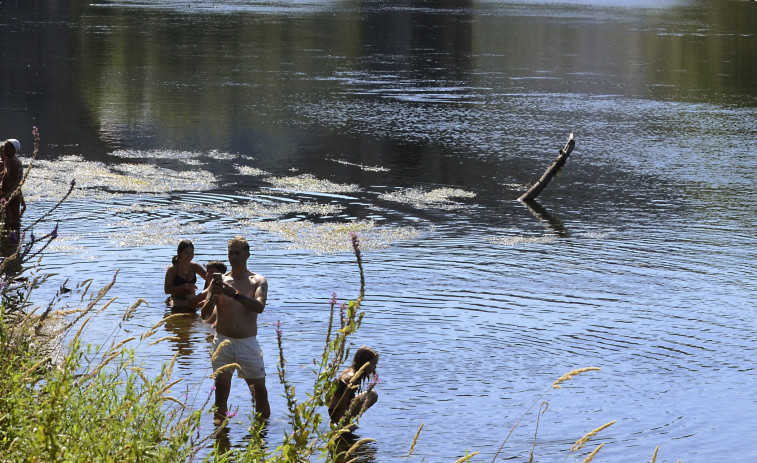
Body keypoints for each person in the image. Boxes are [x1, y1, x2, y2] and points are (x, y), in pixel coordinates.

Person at [202, 236, 270, 421]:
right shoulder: (220, 281)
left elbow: (259, 307)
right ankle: (220, 434)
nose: (233, 257)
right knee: (221, 392)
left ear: (247, 255)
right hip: (223, 341)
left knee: (259, 392)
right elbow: (205, 314)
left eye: (237, 253)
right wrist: (212, 297)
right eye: (230, 253)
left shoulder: (258, 281)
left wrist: (236, 295)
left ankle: (263, 433)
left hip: (248, 343)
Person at [328, 346, 379, 426]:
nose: (375, 367)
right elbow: (342, 401)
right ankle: (345, 421)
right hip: (337, 412)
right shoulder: (351, 378)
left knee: (372, 394)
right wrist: (341, 420)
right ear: (364, 363)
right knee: (372, 395)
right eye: (373, 364)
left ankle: (344, 420)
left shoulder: (351, 372)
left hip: (333, 410)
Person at [164, 239, 208, 312]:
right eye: (186, 253)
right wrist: (186, 286)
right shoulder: (172, 269)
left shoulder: (194, 266)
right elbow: (167, 290)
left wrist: (205, 292)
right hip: (177, 301)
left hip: (192, 299)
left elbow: (210, 279)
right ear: (179, 253)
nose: (190, 256)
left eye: (192, 253)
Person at [1, 139, 26, 231]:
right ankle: (16, 239)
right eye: (3, 147)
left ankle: (6, 239)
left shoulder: (8, 161)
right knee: (15, 218)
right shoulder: (18, 161)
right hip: (16, 193)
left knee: (6, 219)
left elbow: (6, 176)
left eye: (6, 147)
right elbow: (17, 177)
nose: (4, 149)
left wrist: (2, 189)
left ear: (13, 149)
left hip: (8, 193)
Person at [198, 260, 227, 326]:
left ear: (221, 274)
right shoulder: (209, 285)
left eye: (211, 272)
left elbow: (193, 301)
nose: (207, 274)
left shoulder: (226, 288)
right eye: (207, 271)